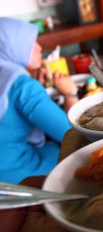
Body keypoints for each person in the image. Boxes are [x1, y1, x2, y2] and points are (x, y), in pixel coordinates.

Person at [0, 18, 77, 183]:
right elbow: (71, 135)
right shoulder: (22, 85)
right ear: (12, 47)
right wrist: (70, 94)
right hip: (13, 179)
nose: (39, 47)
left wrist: (34, 82)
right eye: (31, 43)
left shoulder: (7, 76)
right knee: (73, 154)